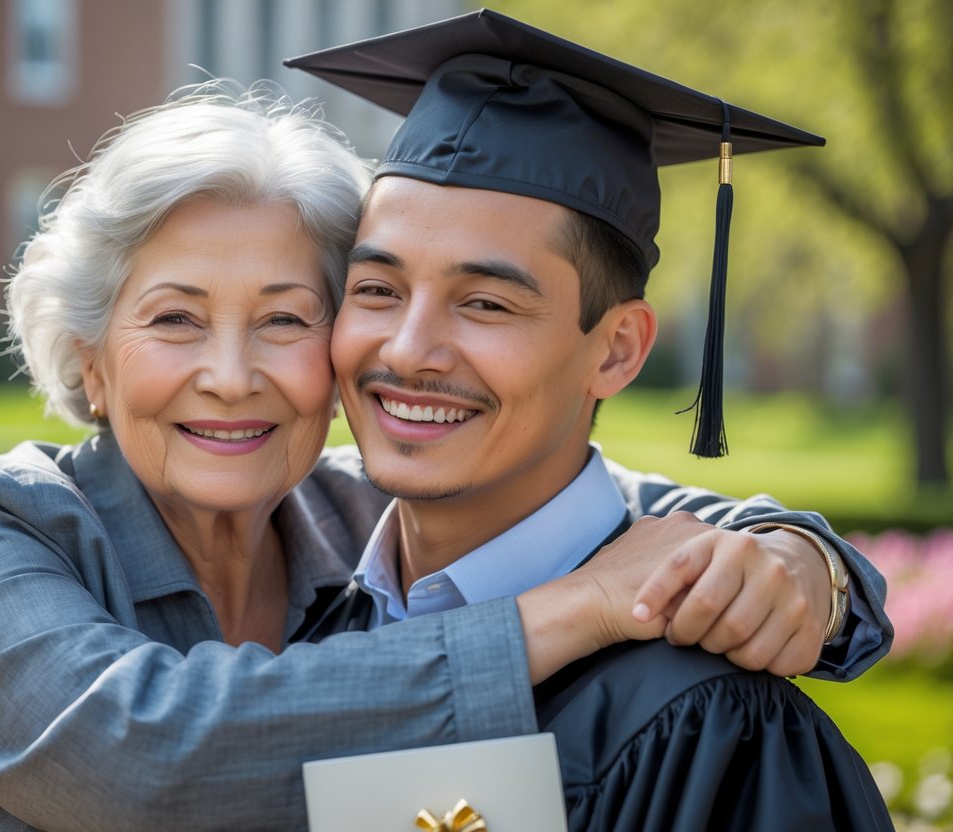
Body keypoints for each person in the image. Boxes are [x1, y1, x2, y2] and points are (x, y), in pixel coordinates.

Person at [0, 82, 887, 831]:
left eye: (286, 318)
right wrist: (573, 607)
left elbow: (608, 503)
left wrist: (802, 556)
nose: (231, 375)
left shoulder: (345, 525)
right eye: (175, 319)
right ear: (89, 361)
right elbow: (151, 759)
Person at [287, 9, 891, 829]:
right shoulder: (301, 630)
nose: (408, 348)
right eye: (376, 289)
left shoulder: (711, 721)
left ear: (614, 351)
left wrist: (807, 561)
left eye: (485, 302)